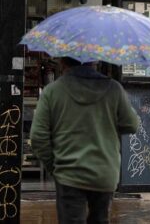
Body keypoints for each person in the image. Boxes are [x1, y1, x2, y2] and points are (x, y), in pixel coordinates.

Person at [30, 57, 140, 224]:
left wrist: (54, 166)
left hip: (69, 174)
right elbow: (132, 125)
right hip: (104, 172)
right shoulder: (114, 89)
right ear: (95, 62)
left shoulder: (53, 91)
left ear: (63, 62)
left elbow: (38, 136)